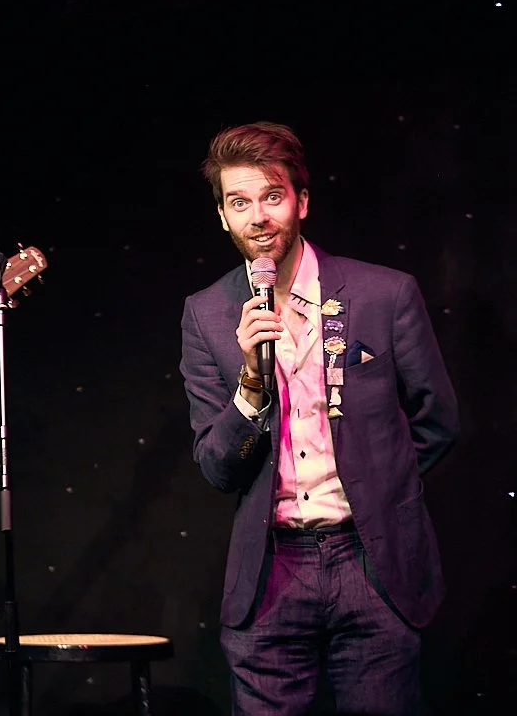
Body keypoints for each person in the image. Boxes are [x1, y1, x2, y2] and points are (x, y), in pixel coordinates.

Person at [179, 121, 459, 714]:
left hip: (372, 558)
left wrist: (382, 488)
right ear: (222, 217)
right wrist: (251, 382)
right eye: (239, 202)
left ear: (301, 201)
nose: (258, 217)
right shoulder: (206, 315)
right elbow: (217, 467)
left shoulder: (384, 294)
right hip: (271, 569)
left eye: (272, 196)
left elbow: (437, 422)